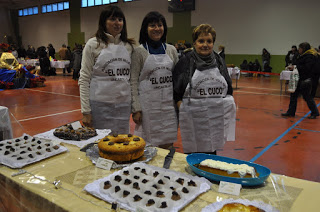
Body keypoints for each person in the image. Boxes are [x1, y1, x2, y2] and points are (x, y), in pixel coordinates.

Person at [173, 24, 236, 154]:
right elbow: (176, 90)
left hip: (214, 118)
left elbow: (228, 88)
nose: (205, 44)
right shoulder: (185, 61)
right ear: (195, 43)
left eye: (209, 41)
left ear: (213, 43)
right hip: (193, 119)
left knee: (211, 153)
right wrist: (182, 108)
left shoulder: (219, 62)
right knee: (193, 155)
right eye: (201, 41)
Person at [78, 6, 134, 132]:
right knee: (100, 145)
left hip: (123, 107)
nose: (117, 23)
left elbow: (132, 80)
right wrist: (86, 111)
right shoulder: (93, 44)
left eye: (120, 19)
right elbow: (84, 78)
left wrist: (135, 107)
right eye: (112, 19)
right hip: (99, 106)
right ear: (104, 22)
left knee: (123, 144)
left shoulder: (129, 47)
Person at [130, 11, 178, 149]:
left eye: (160, 25)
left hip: (169, 108)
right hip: (147, 109)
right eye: (152, 25)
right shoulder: (139, 52)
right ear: (145, 29)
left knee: (167, 146)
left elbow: (178, 80)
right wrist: (136, 108)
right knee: (146, 147)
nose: (157, 28)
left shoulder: (171, 50)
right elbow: (133, 82)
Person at [282, 42, 319, 119]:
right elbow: (298, 64)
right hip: (299, 79)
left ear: (303, 49)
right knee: (293, 95)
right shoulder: (302, 56)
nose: (298, 50)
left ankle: (315, 112)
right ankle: (291, 112)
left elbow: (307, 68)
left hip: (305, 80)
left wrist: (295, 67)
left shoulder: (309, 57)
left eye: (300, 48)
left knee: (307, 97)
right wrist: (293, 66)